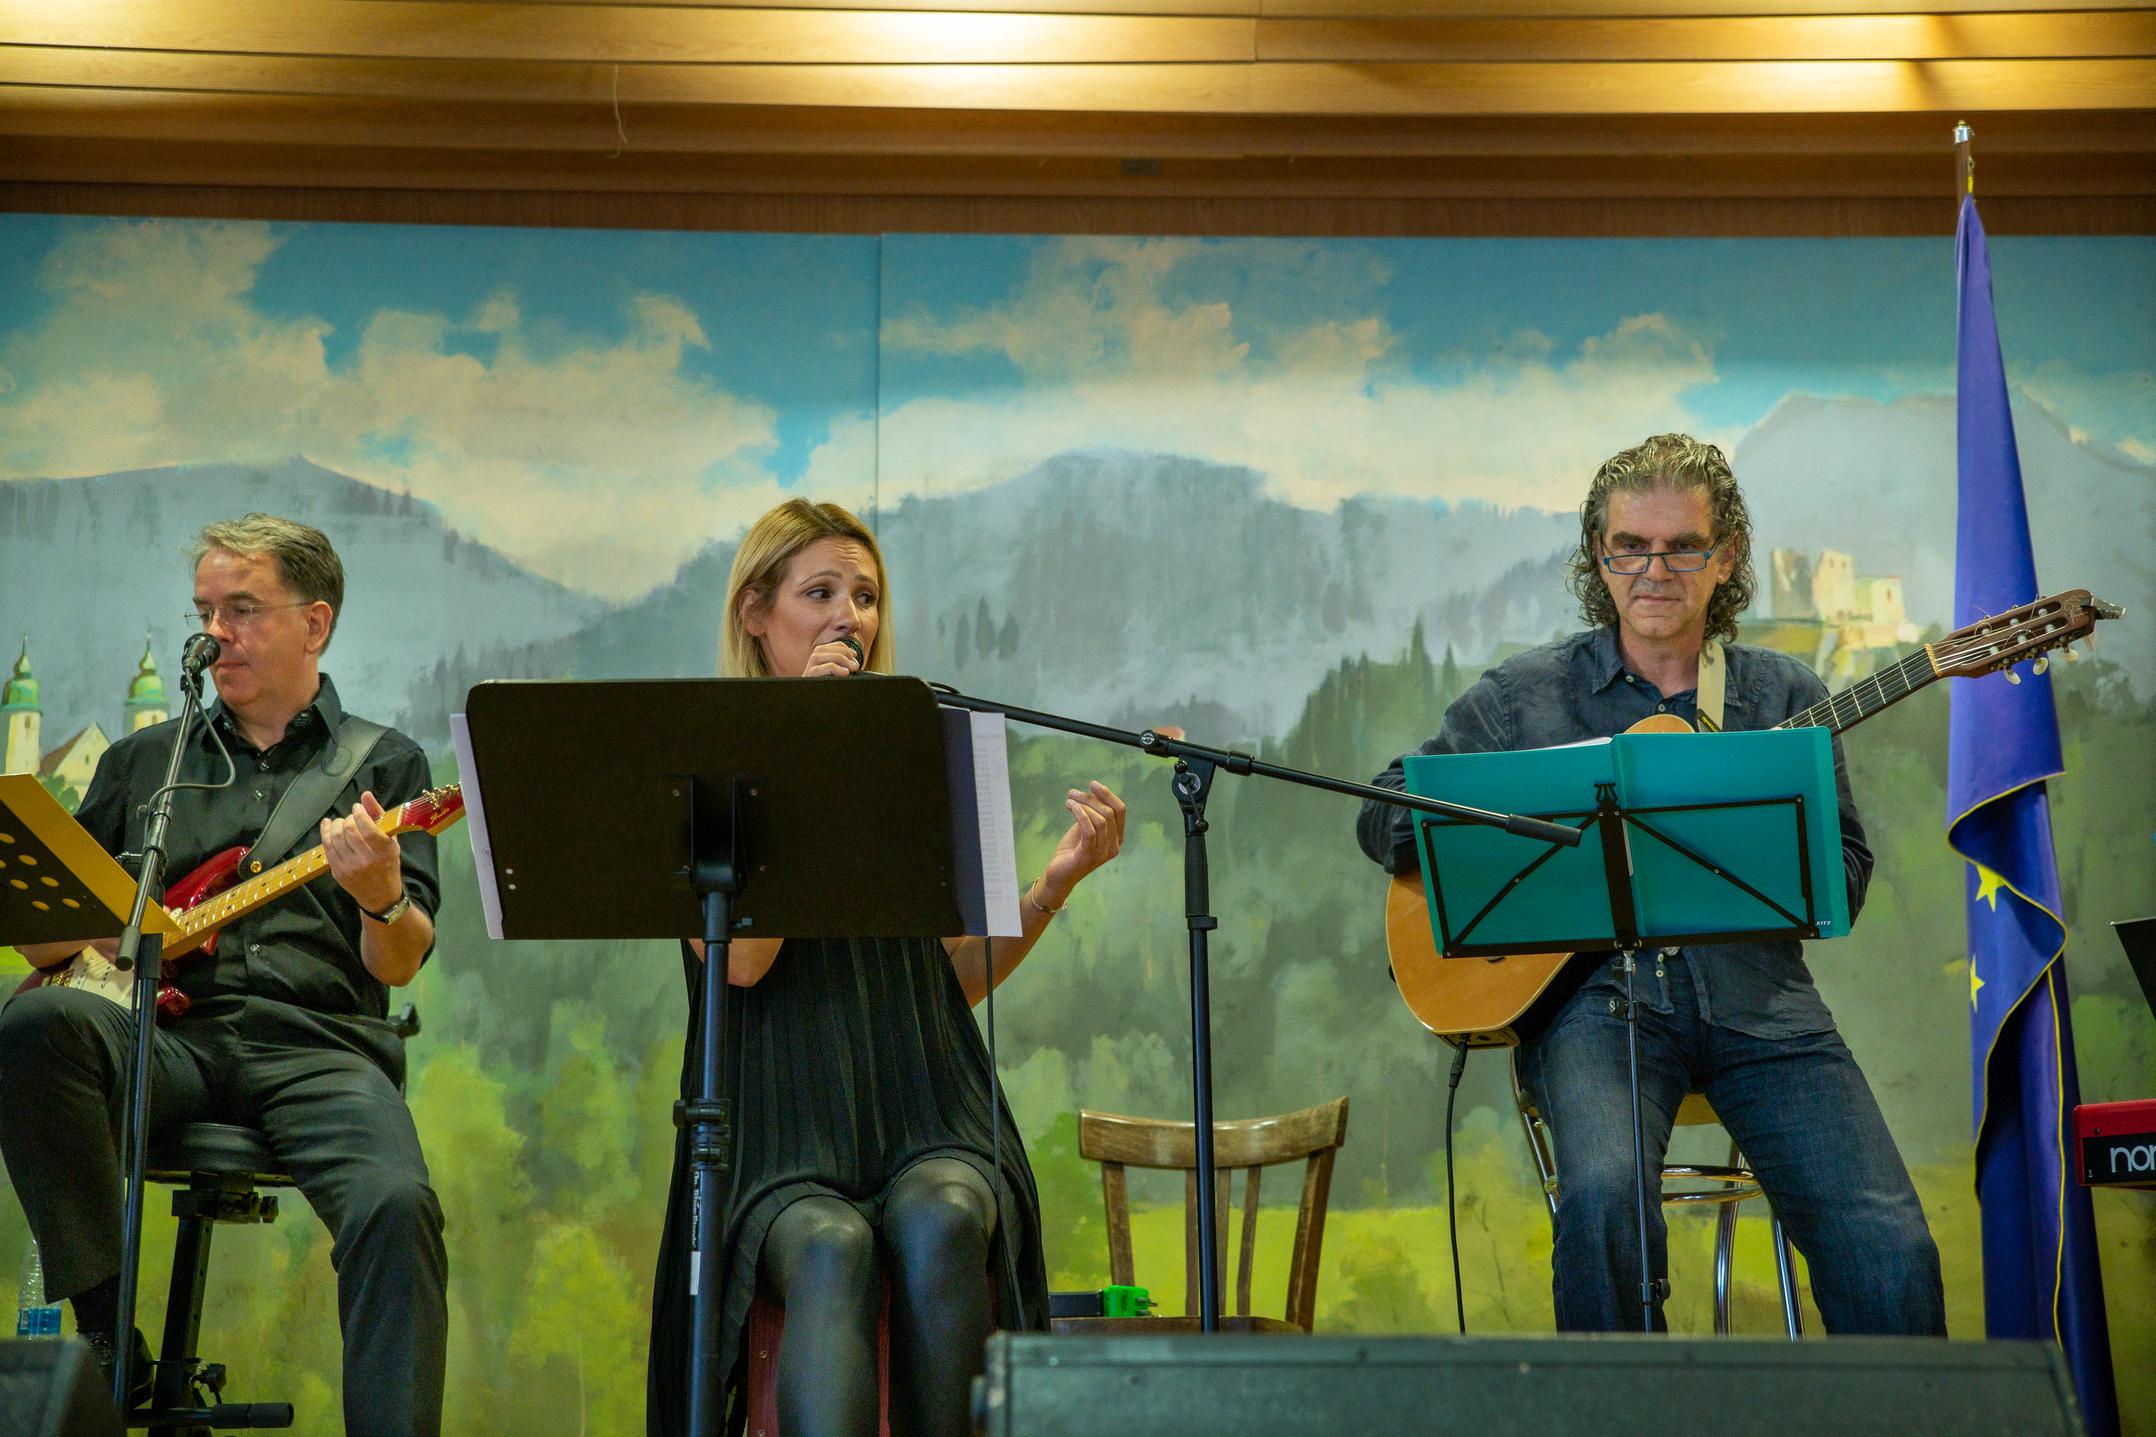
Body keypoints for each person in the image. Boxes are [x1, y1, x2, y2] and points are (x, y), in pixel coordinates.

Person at [1357, 434, 1945, 1335]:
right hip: (1598, 1007)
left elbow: (1848, 875)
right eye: (1630, 546)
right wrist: (1520, 811)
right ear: (1600, 556)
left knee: (1892, 1245)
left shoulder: (1784, 696)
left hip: (1765, 1009)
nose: (1654, 570)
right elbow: (1383, 813)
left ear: (1727, 558)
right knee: (1603, 1200)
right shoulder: (1526, 696)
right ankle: (1628, 1405)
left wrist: (1751, 834)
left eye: (1683, 547)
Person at [647, 498, 1125, 1437]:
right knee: (832, 1246)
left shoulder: (916, 755)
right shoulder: (707, 770)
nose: (850, 617)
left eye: (865, 597)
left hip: (926, 1109)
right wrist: (804, 749)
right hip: (781, 1132)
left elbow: (952, 978)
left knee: (944, 1218)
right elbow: (744, 963)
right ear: (755, 612)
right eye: (820, 592)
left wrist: (1054, 883)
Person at [0, 515, 447, 1433]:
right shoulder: (144, 764)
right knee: (34, 1027)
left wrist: (380, 895)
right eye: (204, 610)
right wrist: (69, 924)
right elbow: (51, 948)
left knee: (398, 1206)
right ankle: (108, 1341)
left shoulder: (385, 763)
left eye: (242, 609)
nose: (213, 633)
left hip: (321, 1051)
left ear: (315, 624)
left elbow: (398, 962)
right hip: (168, 1040)